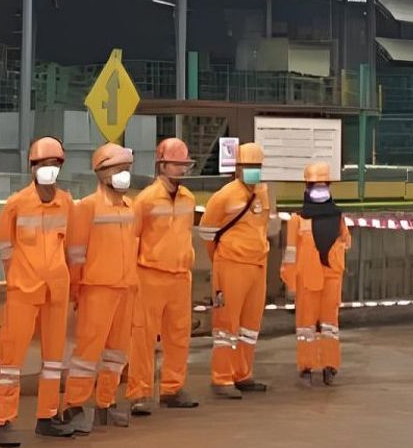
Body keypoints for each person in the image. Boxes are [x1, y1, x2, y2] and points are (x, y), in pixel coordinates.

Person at [0, 137, 76, 446]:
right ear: (32, 168)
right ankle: (1, 422)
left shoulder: (66, 202)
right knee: (11, 360)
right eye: (44, 165)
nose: (49, 170)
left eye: (54, 165)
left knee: (54, 359)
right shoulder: (16, 203)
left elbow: (69, 246)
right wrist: (16, 278)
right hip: (23, 291)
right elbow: (4, 246)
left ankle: (48, 415)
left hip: (57, 291)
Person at [62, 144, 139, 433]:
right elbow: (76, 253)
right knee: (87, 352)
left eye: (127, 169)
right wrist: (76, 290)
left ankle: (105, 404)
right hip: (96, 288)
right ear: (102, 173)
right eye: (118, 169)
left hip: (125, 288)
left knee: (118, 352)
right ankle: (75, 406)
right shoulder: (88, 207)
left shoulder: (131, 208)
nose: (124, 175)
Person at [127, 139, 201, 414]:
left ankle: (172, 388)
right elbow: (133, 238)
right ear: (162, 164)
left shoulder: (188, 199)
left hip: (181, 276)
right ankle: (139, 393)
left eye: (184, 165)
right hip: (149, 275)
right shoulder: (145, 200)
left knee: (179, 336)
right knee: (143, 337)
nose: (181, 170)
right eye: (176, 164)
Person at [198, 142, 273, 398]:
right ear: (237, 168)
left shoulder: (263, 192)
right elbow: (207, 232)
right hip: (230, 265)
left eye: (257, 167)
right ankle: (222, 378)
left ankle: (243, 373)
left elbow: (263, 226)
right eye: (248, 166)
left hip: (257, 265)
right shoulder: (225, 195)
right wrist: (221, 259)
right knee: (226, 325)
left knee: (249, 326)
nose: (253, 171)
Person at [281, 162, 351, 386]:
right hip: (307, 281)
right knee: (306, 326)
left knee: (330, 325)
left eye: (323, 185)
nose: (320, 190)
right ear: (307, 187)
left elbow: (346, 243)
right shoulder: (296, 220)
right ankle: (306, 367)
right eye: (315, 185)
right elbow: (290, 254)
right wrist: (290, 285)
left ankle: (330, 366)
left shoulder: (338, 218)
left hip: (331, 279)